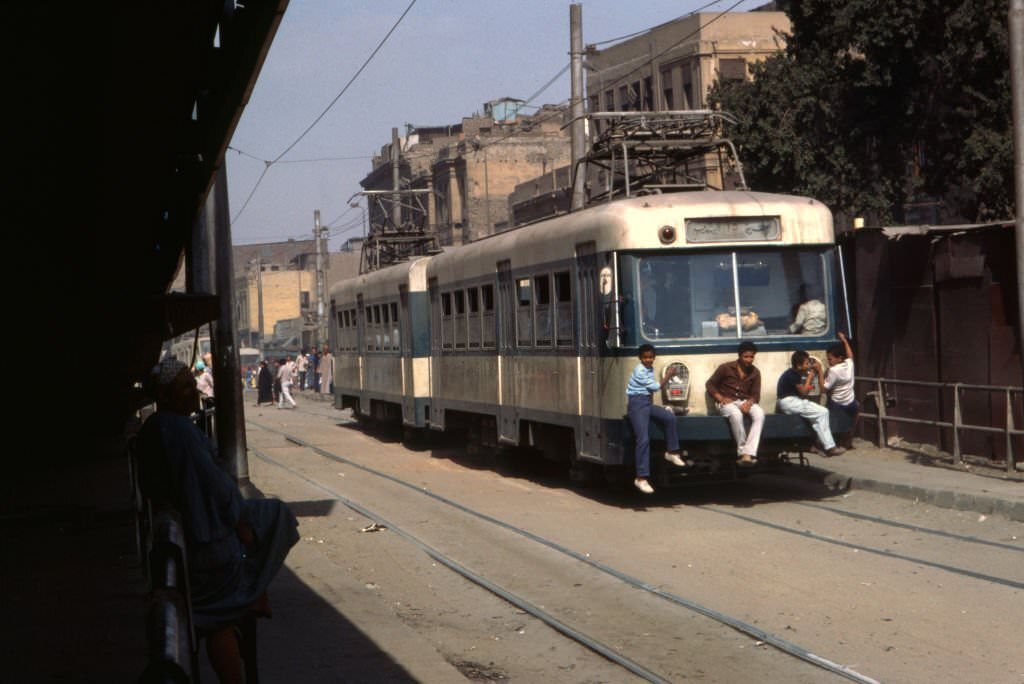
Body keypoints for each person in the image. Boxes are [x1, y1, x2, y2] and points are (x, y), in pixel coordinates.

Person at [138, 358, 298, 683]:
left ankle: (253, 596)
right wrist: (240, 524)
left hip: (190, 535)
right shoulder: (181, 432)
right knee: (277, 517)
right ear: (168, 396)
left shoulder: (156, 428)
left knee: (269, 516)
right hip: (207, 547)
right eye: (186, 387)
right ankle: (251, 597)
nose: (195, 391)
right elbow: (219, 490)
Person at [626, 344, 686, 494]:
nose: (648, 360)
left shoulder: (649, 369)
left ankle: (671, 452)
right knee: (643, 439)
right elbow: (655, 387)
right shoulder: (639, 370)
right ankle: (641, 478)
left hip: (646, 403)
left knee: (669, 418)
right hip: (637, 405)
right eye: (645, 357)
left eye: (651, 357)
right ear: (640, 358)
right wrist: (669, 374)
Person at [776, 350, 844, 457]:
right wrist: (810, 377)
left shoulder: (793, 372)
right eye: (806, 363)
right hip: (789, 402)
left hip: (791, 402)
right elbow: (803, 392)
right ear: (799, 365)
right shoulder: (793, 374)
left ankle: (823, 445)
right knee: (823, 411)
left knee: (818, 415)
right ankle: (829, 447)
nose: (808, 365)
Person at [706, 341, 764, 465]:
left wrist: (749, 403)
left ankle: (749, 452)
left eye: (751, 357)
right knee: (736, 414)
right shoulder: (725, 367)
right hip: (727, 402)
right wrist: (720, 397)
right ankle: (742, 452)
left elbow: (756, 394)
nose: (749, 360)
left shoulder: (755, 372)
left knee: (760, 414)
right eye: (746, 356)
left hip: (744, 401)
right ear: (739, 356)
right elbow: (710, 384)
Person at [824, 331, 857, 447]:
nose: (829, 362)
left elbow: (825, 387)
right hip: (850, 401)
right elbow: (850, 355)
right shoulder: (849, 365)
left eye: (830, 359)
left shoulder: (833, 370)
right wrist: (844, 341)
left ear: (839, 358)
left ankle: (834, 442)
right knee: (853, 420)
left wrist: (818, 371)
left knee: (830, 420)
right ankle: (848, 441)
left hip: (837, 402)